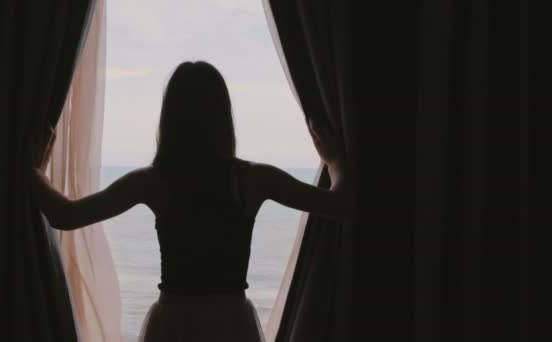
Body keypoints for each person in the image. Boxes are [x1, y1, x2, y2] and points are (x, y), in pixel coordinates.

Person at [31, 61, 349, 342]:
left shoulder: (152, 181)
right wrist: (334, 161)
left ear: (170, 118)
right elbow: (339, 206)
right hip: (231, 322)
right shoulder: (253, 179)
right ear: (223, 117)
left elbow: (65, 216)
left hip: (174, 322)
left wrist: (35, 171)